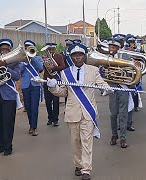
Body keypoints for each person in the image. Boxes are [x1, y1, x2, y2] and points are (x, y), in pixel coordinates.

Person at [47, 43, 109, 180]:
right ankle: (78, 165)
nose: (78, 57)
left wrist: (106, 88)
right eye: (75, 55)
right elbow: (63, 92)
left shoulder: (93, 70)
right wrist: (52, 88)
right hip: (72, 112)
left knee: (87, 141)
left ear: (84, 55)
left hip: (88, 112)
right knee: (75, 142)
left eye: (80, 54)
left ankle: (86, 169)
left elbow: (101, 83)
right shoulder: (65, 73)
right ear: (71, 57)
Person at [107, 35, 131, 148]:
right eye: (110, 47)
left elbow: (132, 71)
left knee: (123, 114)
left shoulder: (125, 56)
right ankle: (114, 135)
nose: (111, 49)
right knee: (113, 114)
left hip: (123, 88)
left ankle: (123, 138)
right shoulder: (105, 58)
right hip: (112, 88)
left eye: (113, 47)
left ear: (118, 48)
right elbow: (101, 73)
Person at [19, 40, 43, 136]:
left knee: (34, 107)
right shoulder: (21, 59)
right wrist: (25, 61)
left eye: (30, 47)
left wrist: (32, 58)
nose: (28, 49)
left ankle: (34, 127)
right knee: (28, 107)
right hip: (25, 85)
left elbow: (41, 68)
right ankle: (31, 125)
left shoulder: (37, 58)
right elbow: (19, 70)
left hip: (35, 85)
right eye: (26, 47)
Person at [43, 42, 65, 126]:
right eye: (49, 49)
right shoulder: (45, 57)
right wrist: (45, 63)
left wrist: (53, 67)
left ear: (55, 49)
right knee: (48, 101)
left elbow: (63, 66)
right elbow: (43, 69)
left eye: (52, 49)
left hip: (56, 80)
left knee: (56, 101)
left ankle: (55, 119)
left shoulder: (59, 56)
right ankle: (50, 118)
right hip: (47, 80)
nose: (51, 50)